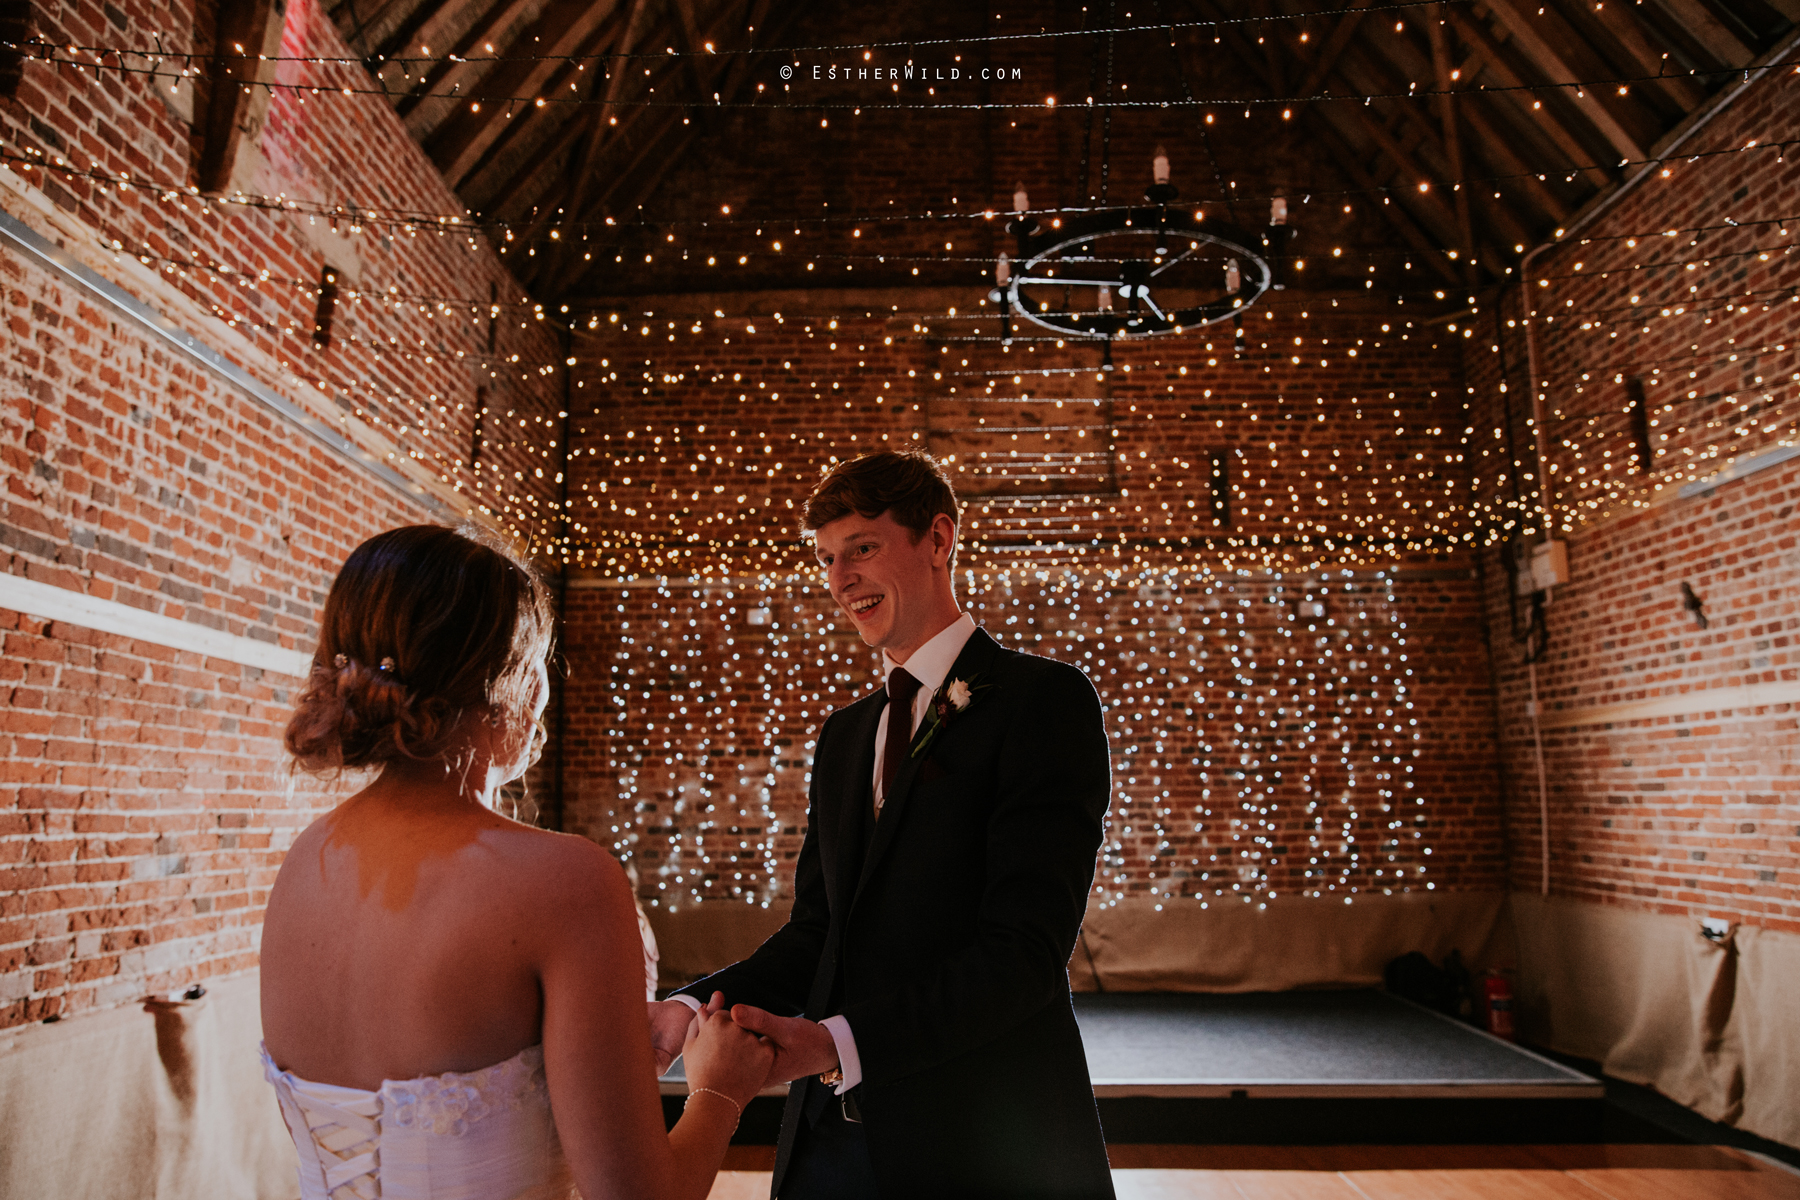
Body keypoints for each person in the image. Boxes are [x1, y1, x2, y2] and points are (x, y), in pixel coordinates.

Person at [646, 451, 1117, 1199]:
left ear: (939, 539)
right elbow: (817, 933)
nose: (840, 580)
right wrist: (686, 1008)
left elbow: (1023, 953)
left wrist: (835, 1042)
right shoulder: (844, 736)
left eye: (862, 548)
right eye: (829, 559)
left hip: (987, 1140)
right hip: (828, 1144)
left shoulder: (1042, 702)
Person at [260, 524, 773, 1200]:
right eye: (541, 662)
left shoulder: (305, 864)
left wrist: (597, 1059)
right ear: (507, 680)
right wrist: (719, 1091)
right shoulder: (566, 881)